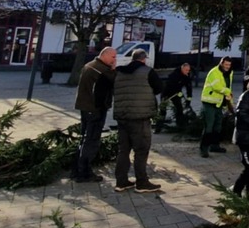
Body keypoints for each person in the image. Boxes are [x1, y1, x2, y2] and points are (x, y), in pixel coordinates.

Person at [112, 48, 164, 193]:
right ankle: (142, 182)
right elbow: (159, 88)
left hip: (122, 116)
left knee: (123, 150)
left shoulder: (119, 72)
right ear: (144, 59)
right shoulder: (148, 71)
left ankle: (121, 181)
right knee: (141, 150)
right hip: (140, 117)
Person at [72, 46, 117, 182]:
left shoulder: (89, 65)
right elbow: (113, 81)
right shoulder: (101, 69)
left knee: (85, 138)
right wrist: (114, 69)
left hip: (85, 106)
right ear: (105, 55)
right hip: (95, 108)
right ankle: (84, 172)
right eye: (113, 57)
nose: (114, 60)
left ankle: (76, 169)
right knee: (91, 140)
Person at [199, 56, 234, 157]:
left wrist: (229, 100)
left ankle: (214, 145)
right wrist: (228, 92)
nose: (227, 66)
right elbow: (217, 87)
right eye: (226, 64)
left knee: (218, 125)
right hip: (209, 102)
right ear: (221, 63)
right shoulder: (214, 72)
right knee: (209, 126)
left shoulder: (230, 73)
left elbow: (228, 85)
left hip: (219, 103)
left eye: (229, 65)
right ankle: (204, 149)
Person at [157, 62, 194, 131]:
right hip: (166, 93)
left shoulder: (186, 76)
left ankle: (180, 125)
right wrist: (179, 93)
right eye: (186, 70)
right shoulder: (175, 74)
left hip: (176, 94)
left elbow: (189, 88)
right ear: (182, 68)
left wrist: (189, 99)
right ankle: (158, 126)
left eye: (188, 70)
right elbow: (172, 86)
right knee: (163, 110)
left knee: (179, 108)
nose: (188, 72)